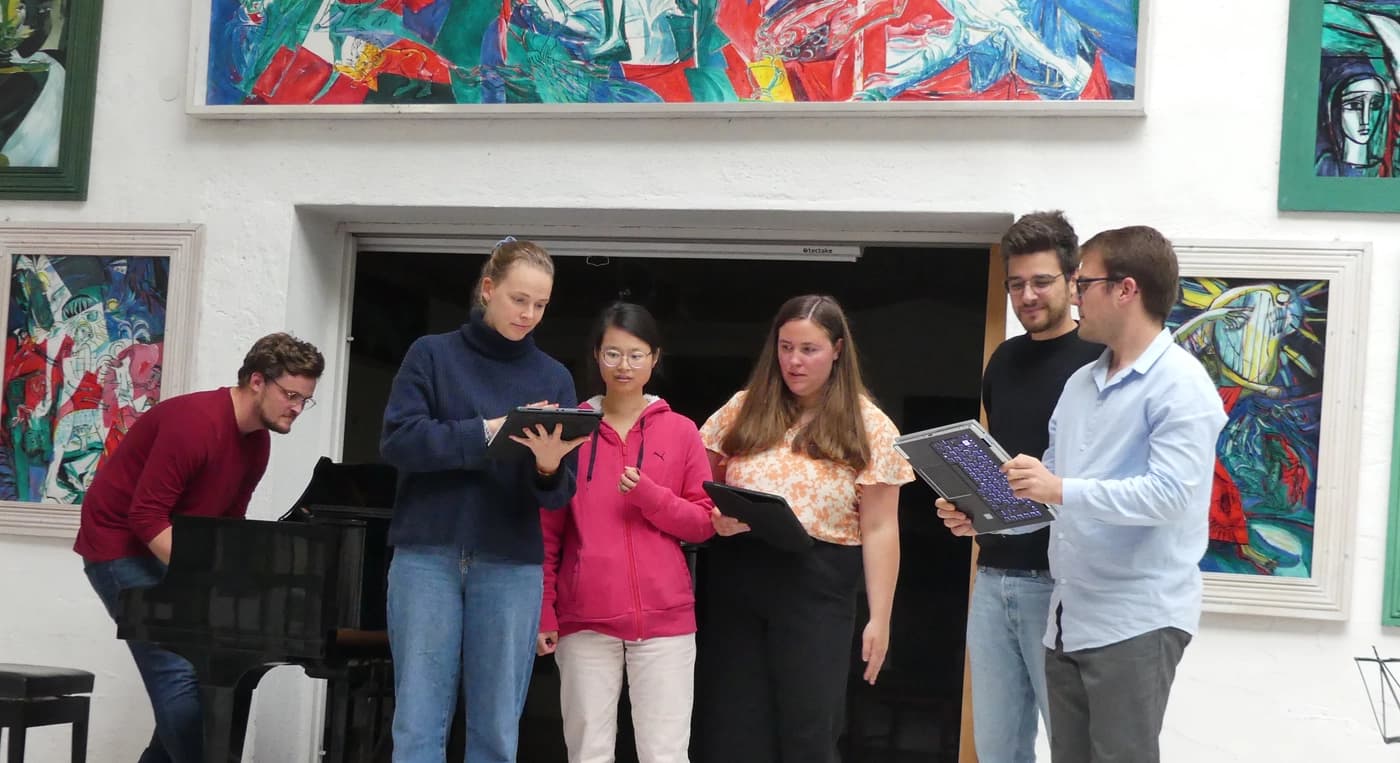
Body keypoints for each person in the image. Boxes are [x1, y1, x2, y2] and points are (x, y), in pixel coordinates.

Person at [939, 225, 1226, 763]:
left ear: (1126, 290)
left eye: (1084, 283)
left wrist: (1060, 489)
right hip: (1068, 618)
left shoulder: (1181, 384)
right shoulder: (1080, 385)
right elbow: (1046, 494)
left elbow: (1169, 496)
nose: (1075, 296)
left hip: (1137, 617)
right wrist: (986, 516)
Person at [379, 237, 588, 763]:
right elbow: (399, 441)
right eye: (519, 299)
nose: (529, 314)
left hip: (511, 560)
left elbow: (561, 492)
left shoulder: (554, 376)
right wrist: (487, 431)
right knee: (418, 717)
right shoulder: (431, 354)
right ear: (488, 289)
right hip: (427, 553)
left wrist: (547, 464)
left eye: (541, 305)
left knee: (497, 724)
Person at [75, 332, 326, 763]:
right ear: (257, 381)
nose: (298, 408)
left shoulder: (257, 443)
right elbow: (146, 518)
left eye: (306, 399)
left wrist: (238, 581)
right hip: (119, 546)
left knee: (203, 675)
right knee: (178, 673)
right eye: (290, 395)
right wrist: (210, 579)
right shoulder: (194, 424)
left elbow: (227, 525)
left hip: (169, 545)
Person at [694, 294, 914, 763]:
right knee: (734, 725)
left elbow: (880, 527)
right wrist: (713, 515)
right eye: (786, 347)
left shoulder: (869, 425)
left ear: (837, 350)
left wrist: (880, 617)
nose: (794, 361)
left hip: (818, 582)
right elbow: (699, 480)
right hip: (740, 574)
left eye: (809, 349)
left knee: (808, 729)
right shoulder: (744, 407)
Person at [950, 211, 1102, 763]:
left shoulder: (1099, 361)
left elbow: (1109, 477)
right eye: (1016, 284)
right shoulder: (1004, 359)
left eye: (1041, 281)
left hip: (1064, 585)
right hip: (992, 578)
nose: (1027, 296)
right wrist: (971, 507)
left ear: (1073, 279)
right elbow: (1003, 469)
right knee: (996, 750)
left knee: (1073, 747)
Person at [537, 301, 716, 763]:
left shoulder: (681, 431)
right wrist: (544, 610)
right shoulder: (569, 430)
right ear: (597, 356)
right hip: (584, 619)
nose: (624, 366)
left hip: (665, 620)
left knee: (664, 753)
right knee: (588, 752)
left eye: (636, 355)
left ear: (655, 358)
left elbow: (702, 523)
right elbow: (547, 530)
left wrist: (650, 497)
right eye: (613, 353)